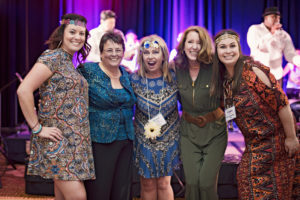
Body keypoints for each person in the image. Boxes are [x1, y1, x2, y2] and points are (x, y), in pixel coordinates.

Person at [211, 29, 300, 199]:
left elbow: (282, 104)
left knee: (277, 192)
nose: (228, 51)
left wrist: (291, 137)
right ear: (217, 52)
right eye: (223, 47)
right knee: (246, 182)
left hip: (278, 142)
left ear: (239, 48)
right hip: (254, 145)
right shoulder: (223, 82)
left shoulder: (252, 71)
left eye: (232, 46)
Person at [17, 13, 95, 200]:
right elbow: (24, 90)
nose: (77, 37)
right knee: (77, 197)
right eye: (72, 32)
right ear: (62, 33)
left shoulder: (68, 61)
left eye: (82, 33)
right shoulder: (53, 57)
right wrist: (37, 128)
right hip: (60, 142)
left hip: (74, 142)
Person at [78, 31, 136, 200]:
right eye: (109, 50)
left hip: (126, 139)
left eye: (118, 50)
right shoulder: (88, 71)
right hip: (99, 140)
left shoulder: (126, 75)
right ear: (101, 52)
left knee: (122, 190)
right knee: (100, 190)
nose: (114, 54)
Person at [172, 26, 227, 200]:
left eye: (199, 42)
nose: (194, 46)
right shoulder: (175, 67)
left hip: (215, 132)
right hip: (188, 133)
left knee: (206, 184)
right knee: (192, 184)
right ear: (183, 44)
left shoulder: (217, 66)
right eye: (190, 42)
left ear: (205, 45)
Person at [130, 35, 180, 200]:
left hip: (169, 137)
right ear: (141, 56)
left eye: (155, 52)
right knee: (148, 184)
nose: (151, 56)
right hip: (144, 139)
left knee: (164, 184)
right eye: (146, 52)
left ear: (164, 55)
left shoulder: (174, 77)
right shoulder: (134, 79)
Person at [247, 6, 300, 85]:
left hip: (276, 76)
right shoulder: (255, 29)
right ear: (265, 18)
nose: (276, 20)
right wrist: (271, 33)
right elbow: (257, 47)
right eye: (273, 17)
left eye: (278, 17)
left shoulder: (283, 35)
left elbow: (290, 55)